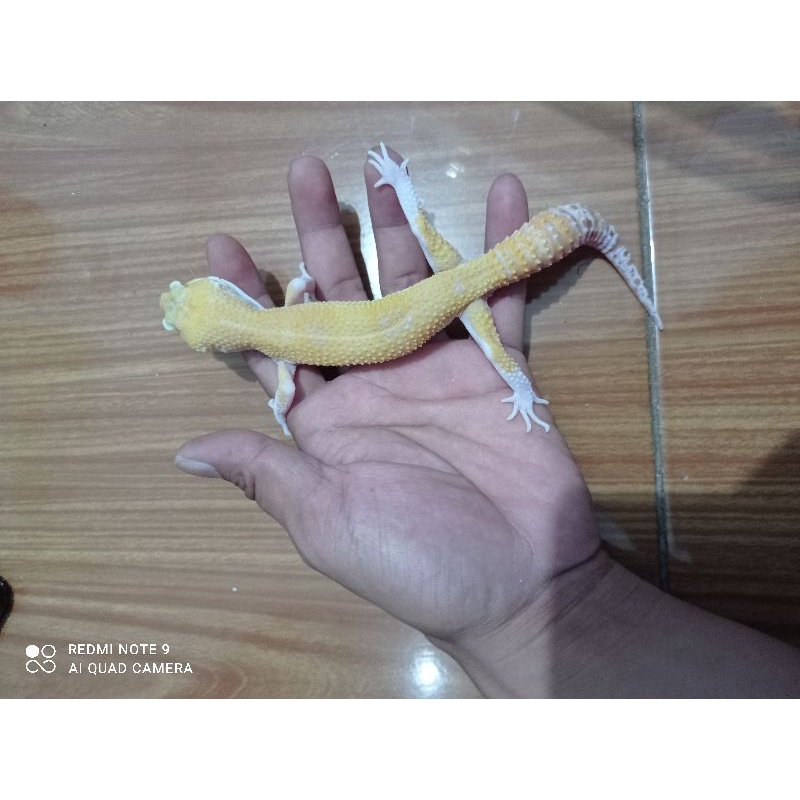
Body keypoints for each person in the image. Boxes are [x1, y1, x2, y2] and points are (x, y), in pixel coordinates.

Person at [172, 149, 800, 698]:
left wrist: (281, 405)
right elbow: (301, 289)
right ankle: (415, 191)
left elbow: (286, 389)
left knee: (497, 350)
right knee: (458, 283)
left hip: (455, 294)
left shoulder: (279, 347)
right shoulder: (280, 320)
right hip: (451, 287)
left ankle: (520, 373)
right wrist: (323, 267)